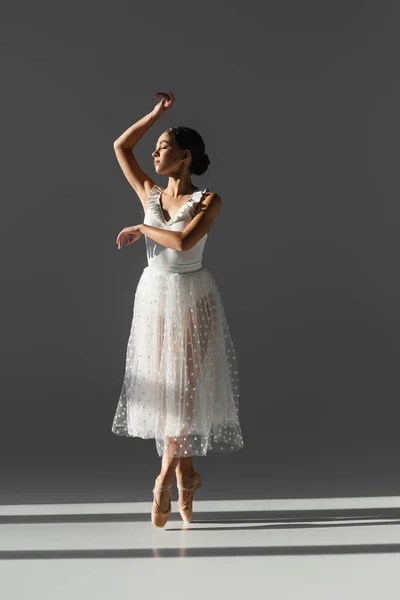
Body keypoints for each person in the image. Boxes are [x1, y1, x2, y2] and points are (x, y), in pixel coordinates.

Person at [111, 91, 244, 527]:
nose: (154, 152)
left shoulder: (209, 200)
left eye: (164, 146)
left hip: (193, 295)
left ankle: (164, 477)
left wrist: (141, 226)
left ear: (185, 156)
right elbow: (122, 147)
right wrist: (154, 116)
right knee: (168, 390)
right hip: (154, 295)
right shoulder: (149, 192)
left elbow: (184, 242)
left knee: (183, 389)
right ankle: (187, 474)